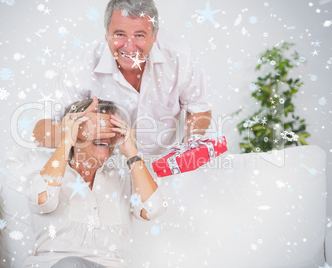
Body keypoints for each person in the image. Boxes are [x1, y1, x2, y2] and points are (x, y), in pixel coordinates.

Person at [32, 0, 212, 155]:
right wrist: (76, 130)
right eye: (119, 34)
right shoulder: (81, 67)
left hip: (163, 165)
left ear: (155, 35)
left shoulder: (182, 57)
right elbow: (40, 132)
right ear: (107, 34)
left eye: (139, 35)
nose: (129, 47)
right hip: (104, 170)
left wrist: (189, 147)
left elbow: (199, 109)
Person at [24, 98, 167, 268]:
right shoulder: (45, 175)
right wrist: (66, 140)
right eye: (97, 127)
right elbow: (43, 199)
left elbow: (153, 209)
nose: (105, 135)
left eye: (111, 128)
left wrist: (132, 152)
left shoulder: (124, 179)